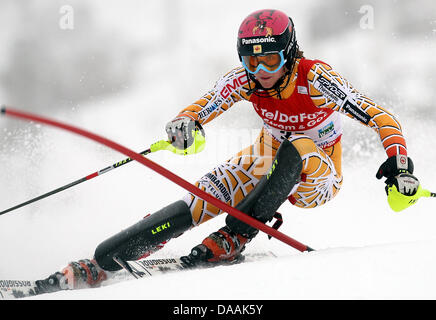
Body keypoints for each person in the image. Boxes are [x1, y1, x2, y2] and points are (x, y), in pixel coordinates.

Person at [37, 8, 420, 291]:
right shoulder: (247, 80)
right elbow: (203, 106)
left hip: (318, 176)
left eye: (270, 57)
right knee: (204, 196)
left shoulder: (316, 78)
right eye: (250, 59)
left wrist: (400, 164)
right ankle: (103, 260)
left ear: (289, 52)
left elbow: (379, 115)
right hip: (267, 156)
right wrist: (187, 124)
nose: (260, 68)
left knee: (298, 145)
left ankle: (236, 234)